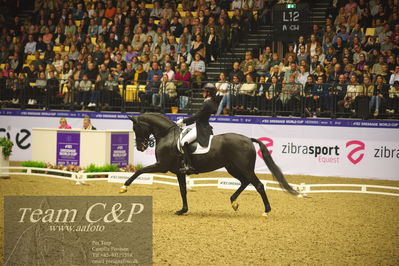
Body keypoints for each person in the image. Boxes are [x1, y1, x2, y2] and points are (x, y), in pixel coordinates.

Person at [176, 84, 218, 173]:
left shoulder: (207, 103)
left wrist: (183, 121)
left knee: (184, 142)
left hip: (202, 127)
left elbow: (197, 116)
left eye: (204, 91)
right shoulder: (209, 102)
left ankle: (189, 165)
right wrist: (185, 123)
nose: (202, 93)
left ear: (208, 93)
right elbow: (199, 117)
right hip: (201, 125)